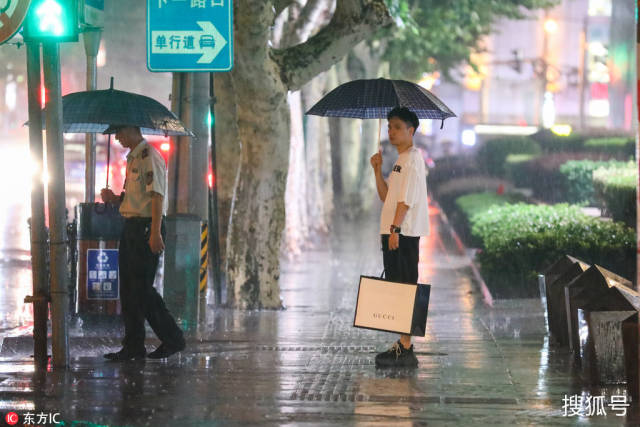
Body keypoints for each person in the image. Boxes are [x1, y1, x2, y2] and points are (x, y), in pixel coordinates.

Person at [100, 125, 185, 361]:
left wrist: (155, 232)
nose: (116, 137)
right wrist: (115, 199)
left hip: (147, 227)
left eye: (119, 132)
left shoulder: (150, 157)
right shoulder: (134, 158)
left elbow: (157, 196)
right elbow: (134, 198)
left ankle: (173, 338)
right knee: (128, 290)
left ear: (131, 130)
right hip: (131, 227)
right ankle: (133, 346)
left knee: (142, 289)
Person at [369, 107, 429, 368]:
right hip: (393, 230)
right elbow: (386, 197)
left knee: (404, 286)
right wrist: (377, 169)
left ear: (410, 130)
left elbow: (407, 200)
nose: (390, 131)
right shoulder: (399, 160)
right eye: (389, 126)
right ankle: (402, 344)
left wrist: (395, 229)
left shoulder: (413, 159)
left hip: (403, 233)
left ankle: (405, 347)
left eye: (396, 127)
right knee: (397, 287)